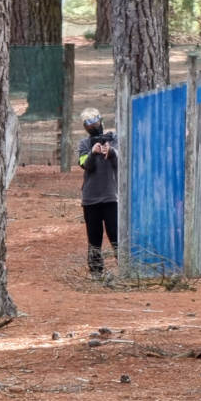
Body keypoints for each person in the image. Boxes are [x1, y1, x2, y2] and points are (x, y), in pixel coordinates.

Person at [77, 108, 118, 278]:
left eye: (95, 122)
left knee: (116, 235)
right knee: (94, 238)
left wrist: (111, 152)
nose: (94, 126)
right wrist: (93, 153)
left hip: (111, 197)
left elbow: (121, 161)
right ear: (85, 127)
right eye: (89, 124)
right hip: (90, 199)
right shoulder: (84, 144)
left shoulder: (113, 139)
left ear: (101, 120)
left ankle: (126, 267)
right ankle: (96, 272)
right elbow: (85, 165)